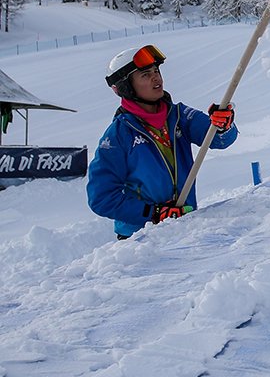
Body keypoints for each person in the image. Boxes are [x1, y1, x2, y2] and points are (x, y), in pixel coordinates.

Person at [87, 44, 239, 239]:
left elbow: (219, 139)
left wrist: (223, 125)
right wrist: (153, 213)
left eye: (156, 71)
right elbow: (101, 197)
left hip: (183, 227)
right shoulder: (118, 136)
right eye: (145, 75)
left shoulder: (180, 115)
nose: (156, 78)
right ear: (125, 87)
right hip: (140, 240)